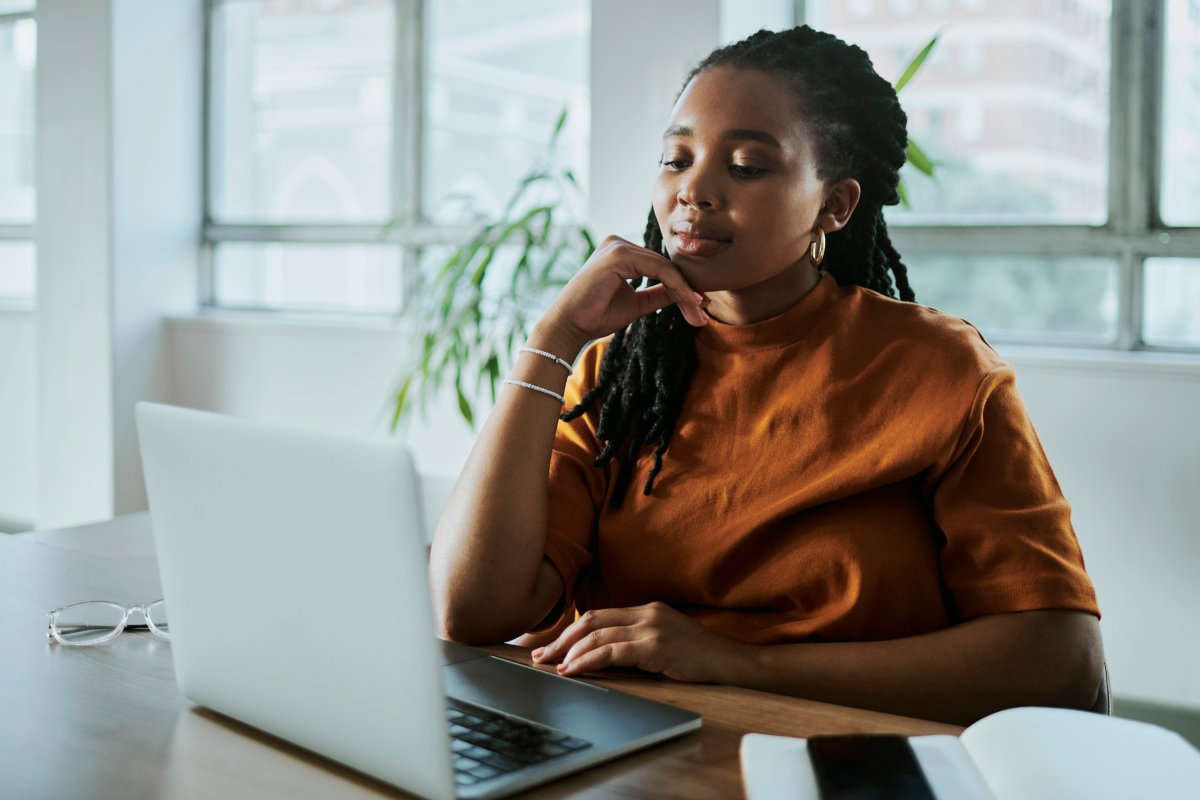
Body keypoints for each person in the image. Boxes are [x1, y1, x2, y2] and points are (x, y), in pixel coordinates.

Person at [430, 26, 1103, 726]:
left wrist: (733, 661)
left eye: (748, 166)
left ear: (834, 206)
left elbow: (1059, 660)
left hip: (843, 753)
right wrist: (552, 342)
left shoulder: (940, 369)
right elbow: (471, 613)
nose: (693, 190)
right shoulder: (618, 372)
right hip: (635, 744)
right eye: (675, 158)